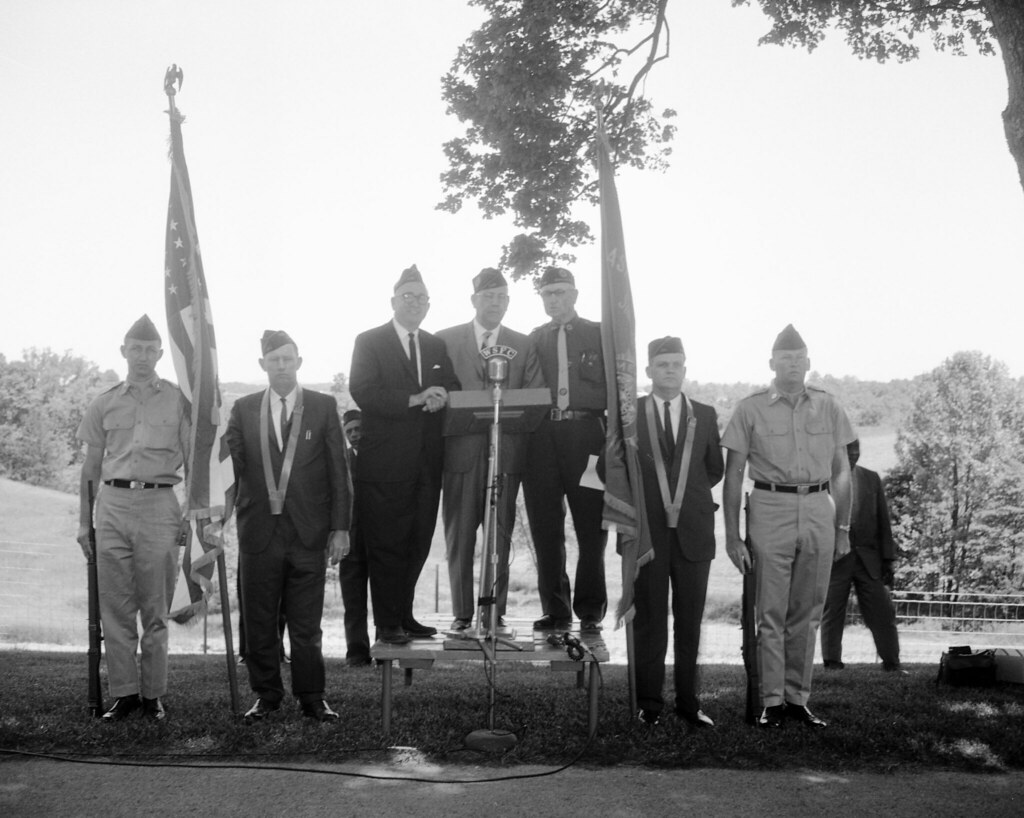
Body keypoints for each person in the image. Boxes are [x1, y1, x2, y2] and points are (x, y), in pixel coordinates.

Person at [722, 324, 854, 729]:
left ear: (808, 363)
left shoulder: (828, 406)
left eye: (799, 359)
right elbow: (732, 475)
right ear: (772, 363)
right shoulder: (750, 408)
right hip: (769, 505)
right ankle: (771, 701)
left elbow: (842, 472)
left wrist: (844, 527)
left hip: (819, 508)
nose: (792, 365)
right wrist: (730, 535)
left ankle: (798, 700)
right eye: (784, 359)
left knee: (808, 610)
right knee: (771, 612)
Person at [226, 330, 350, 723]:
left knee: (306, 623)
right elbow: (228, 466)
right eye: (273, 360)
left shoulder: (323, 406)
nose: (281, 366)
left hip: (308, 532)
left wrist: (340, 528)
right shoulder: (243, 408)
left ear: (299, 362)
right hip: (258, 532)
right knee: (259, 620)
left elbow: (339, 472)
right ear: (262, 365)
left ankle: (313, 697)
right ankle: (266, 696)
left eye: (288, 359)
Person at [76, 314, 188, 722]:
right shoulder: (104, 402)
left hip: (160, 505)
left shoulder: (178, 400)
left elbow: (194, 460)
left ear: (160, 354)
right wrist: (83, 522)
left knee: (154, 608)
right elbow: (90, 468)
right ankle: (124, 694)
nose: (142, 356)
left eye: (150, 349)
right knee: (116, 606)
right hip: (112, 504)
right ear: (124, 351)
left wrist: (191, 513)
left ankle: (153, 694)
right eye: (135, 348)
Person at [349, 265, 460, 645]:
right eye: (407, 297)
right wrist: (415, 398)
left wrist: (441, 395)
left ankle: (405, 615)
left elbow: (450, 384)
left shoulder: (434, 345)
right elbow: (363, 390)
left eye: (421, 298)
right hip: (384, 466)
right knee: (386, 545)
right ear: (393, 301)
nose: (415, 303)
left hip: (427, 463)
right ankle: (386, 623)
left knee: (418, 541)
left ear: (429, 305)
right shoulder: (369, 341)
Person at [435, 268, 545, 631]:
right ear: (474, 300)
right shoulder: (445, 340)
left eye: (501, 297)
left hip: (506, 453)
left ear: (508, 302)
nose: (495, 303)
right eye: (488, 297)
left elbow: (534, 395)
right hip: (461, 455)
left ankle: (494, 614)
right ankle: (463, 615)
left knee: (500, 536)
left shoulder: (523, 343)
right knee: (460, 537)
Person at [633, 337, 724, 728]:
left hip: (693, 532)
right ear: (649, 370)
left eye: (677, 364)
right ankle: (648, 705)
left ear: (685, 370)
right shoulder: (630, 413)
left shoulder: (703, 414)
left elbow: (714, 468)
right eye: (662, 364)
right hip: (648, 534)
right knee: (650, 620)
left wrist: (685, 497)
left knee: (690, 621)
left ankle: (689, 702)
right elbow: (613, 467)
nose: (670, 370)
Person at [522, 266, 607, 632]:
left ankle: (589, 609)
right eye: (547, 294)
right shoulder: (534, 339)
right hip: (542, 438)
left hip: (587, 437)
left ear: (574, 294)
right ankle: (555, 608)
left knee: (591, 524)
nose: (554, 299)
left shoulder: (600, 334)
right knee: (545, 525)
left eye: (560, 292)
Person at [820, 439, 904, 672]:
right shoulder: (822, 478)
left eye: (857, 450)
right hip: (836, 558)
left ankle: (892, 662)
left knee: (883, 611)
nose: (854, 454)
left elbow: (883, 521)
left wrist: (888, 559)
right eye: (849, 450)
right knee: (832, 611)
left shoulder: (871, 478)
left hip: (869, 559)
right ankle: (832, 662)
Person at [337, 409, 371, 666]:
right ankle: (357, 654)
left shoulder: (381, 459)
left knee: (384, 602)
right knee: (353, 602)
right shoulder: (341, 462)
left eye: (358, 429)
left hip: (377, 542)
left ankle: (385, 652)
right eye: (349, 432)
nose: (355, 435)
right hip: (350, 544)